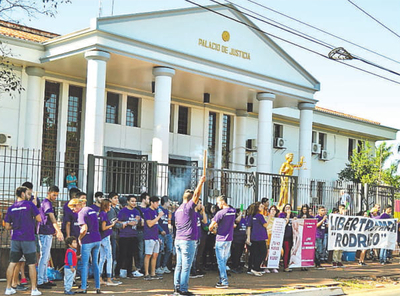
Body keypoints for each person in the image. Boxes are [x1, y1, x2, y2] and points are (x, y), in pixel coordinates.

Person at [4, 186, 42, 296]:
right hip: (28, 239)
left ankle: (8, 288)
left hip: (15, 238)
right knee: (31, 263)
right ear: (22, 194)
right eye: (28, 194)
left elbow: (6, 226)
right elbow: (39, 219)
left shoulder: (11, 208)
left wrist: (15, 227)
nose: (29, 196)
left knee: (12, 263)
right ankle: (34, 289)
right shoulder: (30, 205)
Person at [173, 175, 206, 296]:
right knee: (186, 266)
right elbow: (196, 195)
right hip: (188, 240)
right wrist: (200, 182)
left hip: (179, 239)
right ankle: (183, 289)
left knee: (179, 265)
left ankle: (177, 288)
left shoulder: (178, 209)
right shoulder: (188, 207)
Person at [68, 198, 102, 294]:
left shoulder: (81, 213)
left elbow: (84, 228)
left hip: (87, 240)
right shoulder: (91, 210)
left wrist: (79, 238)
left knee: (84, 264)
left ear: (77, 205)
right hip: (97, 239)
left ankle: (83, 287)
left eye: (73, 208)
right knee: (95, 263)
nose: (73, 211)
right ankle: (97, 286)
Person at [37, 186, 64, 290]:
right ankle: (40, 280)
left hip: (46, 231)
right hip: (45, 231)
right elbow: (52, 218)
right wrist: (58, 230)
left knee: (46, 256)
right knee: (44, 257)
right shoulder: (47, 203)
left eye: (56, 195)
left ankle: (44, 279)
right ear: (49, 193)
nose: (55, 197)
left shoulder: (46, 203)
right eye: (54, 195)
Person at [209, 195, 236, 289]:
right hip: (229, 239)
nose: (217, 204)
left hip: (221, 239)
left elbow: (210, 226)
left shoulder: (220, 213)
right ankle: (221, 280)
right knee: (223, 260)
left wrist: (214, 231)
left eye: (218, 202)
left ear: (222, 201)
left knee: (220, 261)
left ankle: (224, 281)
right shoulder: (233, 211)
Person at [115, 195, 142, 278]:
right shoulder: (123, 211)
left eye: (135, 201)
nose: (134, 203)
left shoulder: (136, 211)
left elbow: (140, 221)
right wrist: (127, 223)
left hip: (133, 235)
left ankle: (129, 272)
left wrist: (138, 220)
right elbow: (118, 221)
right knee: (122, 254)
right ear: (128, 201)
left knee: (131, 254)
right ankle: (117, 272)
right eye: (132, 201)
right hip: (124, 235)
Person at [98, 199, 119, 286]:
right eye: (109, 206)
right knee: (109, 257)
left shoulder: (100, 214)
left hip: (102, 237)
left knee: (102, 258)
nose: (110, 207)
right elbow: (103, 228)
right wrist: (112, 224)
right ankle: (109, 278)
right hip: (105, 237)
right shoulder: (104, 214)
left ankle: (100, 278)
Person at [143, 196, 164, 280]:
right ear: (151, 202)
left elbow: (155, 224)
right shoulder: (147, 211)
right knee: (148, 255)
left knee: (155, 255)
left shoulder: (155, 211)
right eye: (156, 203)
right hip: (149, 236)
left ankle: (153, 273)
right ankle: (146, 273)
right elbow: (150, 224)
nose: (157, 205)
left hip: (155, 237)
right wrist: (159, 216)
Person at [246, 202, 269, 277]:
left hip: (253, 237)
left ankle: (252, 268)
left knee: (254, 253)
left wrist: (248, 237)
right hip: (260, 237)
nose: (262, 208)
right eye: (261, 206)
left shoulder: (250, 216)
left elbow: (248, 228)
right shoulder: (260, 216)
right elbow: (265, 225)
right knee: (263, 253)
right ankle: (256, 267)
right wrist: (270, 217)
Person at [106, 192, 123, 280]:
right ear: (110, 199)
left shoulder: (115, 209)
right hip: (111, 234)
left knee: (113, 254)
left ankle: (111, 274)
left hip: (114, 234)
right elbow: (112, 223)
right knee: (111, 255)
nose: (117, 200)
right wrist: (122, 225)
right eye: (115, 198)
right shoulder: (111, 210)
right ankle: (110, 275)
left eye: (117, 198)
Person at [156, 196, 173, 275]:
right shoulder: (158, 209)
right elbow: (156, 222)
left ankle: (164, 265)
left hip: (167, 233)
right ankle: (158, 267)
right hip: (160, 233)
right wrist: (161, 230)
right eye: (168, 202)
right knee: (160, 250)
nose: (169, 203)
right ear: (165, 202)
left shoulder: (166, 210)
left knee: (169, 249)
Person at [278, 203, 295, 272]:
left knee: (290, 251)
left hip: (291, 236)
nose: (288, 209)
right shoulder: (282, 215)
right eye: (286, 207)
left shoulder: (292, 215)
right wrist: (287, 215)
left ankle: (287, 264)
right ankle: (285, 266)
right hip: (285, 236)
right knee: (286, 250)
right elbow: (284, 223)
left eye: (289, 208)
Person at [136, 192, 150, 273]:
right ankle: (140, 267)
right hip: (140, 231)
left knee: (147, 251)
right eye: (148, 198)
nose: (149, 200)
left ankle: (145, 268)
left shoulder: (149, 209)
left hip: (148, 231)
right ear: (143, 199)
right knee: (141, 251)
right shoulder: (138, 209)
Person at [230, 208, 247, 273]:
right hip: (236, 240)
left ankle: (237, 266)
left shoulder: (244, 219)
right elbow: (237, 221)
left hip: (242, 239)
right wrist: (240, 215)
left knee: (239, 253)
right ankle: (235, 266)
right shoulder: (235, 219)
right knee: (236, 254)